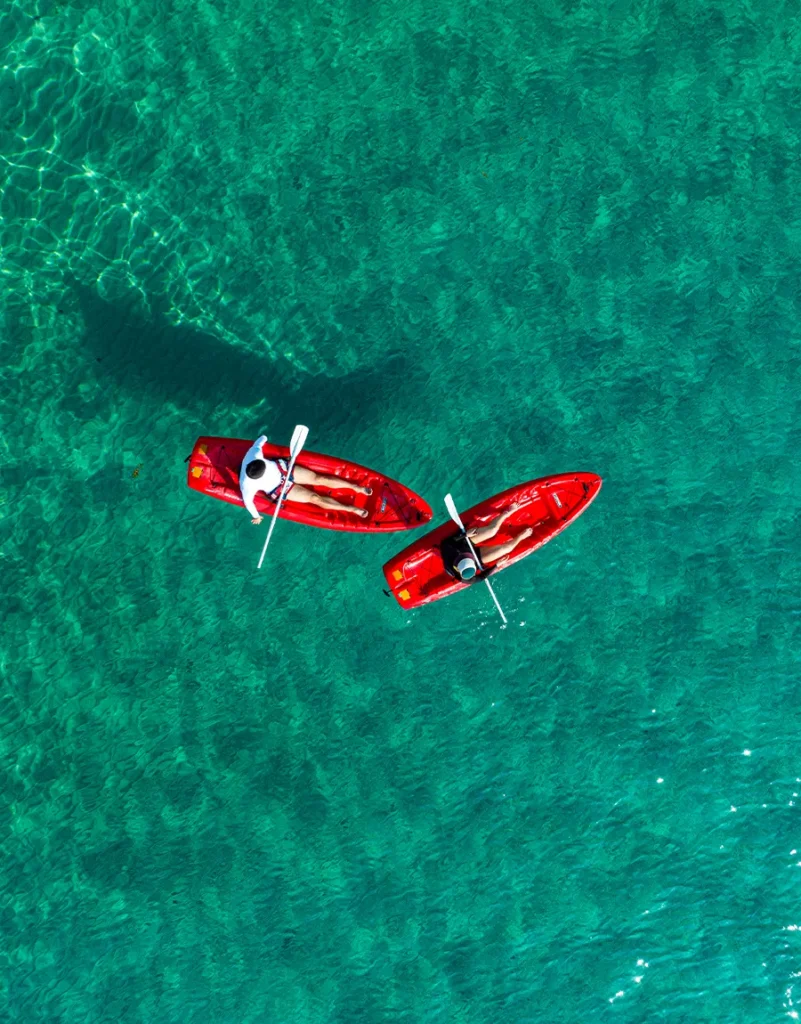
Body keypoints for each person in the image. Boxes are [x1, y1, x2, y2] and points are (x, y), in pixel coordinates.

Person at [239, 435, 372, 523]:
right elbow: (248, 503)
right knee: (314, 499)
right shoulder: (246, 485)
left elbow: (261, 439)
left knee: (319, 478)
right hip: (281, 488)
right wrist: (256, 517)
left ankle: (356, 488)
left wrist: (264, 437)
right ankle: (351, 509)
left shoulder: (254, 454)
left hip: (284, 469)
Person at [440, 502, 533, 581]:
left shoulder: (448, 552)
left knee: (492, 530)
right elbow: (480, 578)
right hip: (476, 558)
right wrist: (496, 565)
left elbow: (445, 542)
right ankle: (520, 537)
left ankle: (505, 513)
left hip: (464, 543)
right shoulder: (463, 577)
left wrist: (465, 535)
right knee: (507, 549)